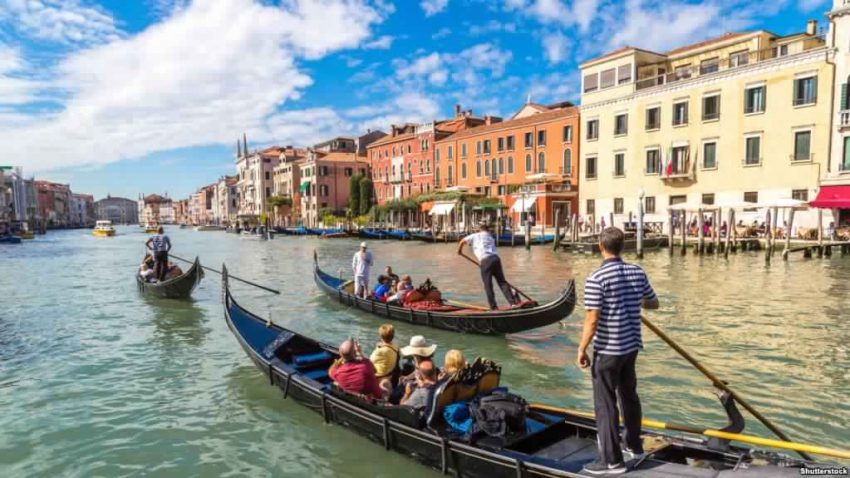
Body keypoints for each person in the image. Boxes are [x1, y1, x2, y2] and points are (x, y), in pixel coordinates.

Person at [577, 227, 659, 476]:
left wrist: (581, 349)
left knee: (605, 403)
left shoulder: (596, 278)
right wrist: (632, 300)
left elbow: (592, 320)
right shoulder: (637, 272)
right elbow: (653, 303)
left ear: (601, 246)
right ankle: (634, 446)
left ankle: (611, 461)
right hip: (631, 346)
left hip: (608, 350)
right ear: (622, 246)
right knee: (629, 396)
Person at [457, 222, 518, 310]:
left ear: (480, 229)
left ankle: (493, 307)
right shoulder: (490, 237)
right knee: (502, 282)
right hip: (496, 259)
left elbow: (462, 241)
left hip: (485, 261)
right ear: (487, 230)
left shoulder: (475, 235)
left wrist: (459, 251)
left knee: (488, 285)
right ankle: (513, 303)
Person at [390, 335, 438, 404]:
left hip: (420, 388)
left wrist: (410, 390)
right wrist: (407, 377)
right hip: (419, 384)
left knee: (394, 396)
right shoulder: (422, 360)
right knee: (399, 387)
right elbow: (417, 372)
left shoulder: (425, 365)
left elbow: (428, 383)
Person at [369, 324, 400, 397]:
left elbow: (369, 363)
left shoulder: (380, 351)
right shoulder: (396, 347)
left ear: (381, 336)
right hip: (390, 375)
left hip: (378, 377)